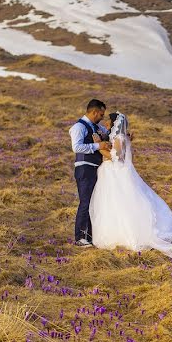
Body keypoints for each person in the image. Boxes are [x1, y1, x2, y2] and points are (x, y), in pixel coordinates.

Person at [89, 112, 172, 268]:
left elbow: (117, 158)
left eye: (109, 122)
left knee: (117, 203)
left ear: (114, 124)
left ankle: (123, 234)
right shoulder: (121, 136)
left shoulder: (118, 138)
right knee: (117, 204)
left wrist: (99, 146)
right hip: (114, 173)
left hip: (115, 174)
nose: (107, 123)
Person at [70, 99, 110, 247]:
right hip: (84, 168)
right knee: (86, 202)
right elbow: (77, 147)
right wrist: (97, 145)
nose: (102, 117)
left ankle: (90, 236)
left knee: (94, 203)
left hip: (95, 168)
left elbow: (110, 136)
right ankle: (80, 237)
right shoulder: (79, 127)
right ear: (93, 112)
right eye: (101, 114)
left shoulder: (97, 127)